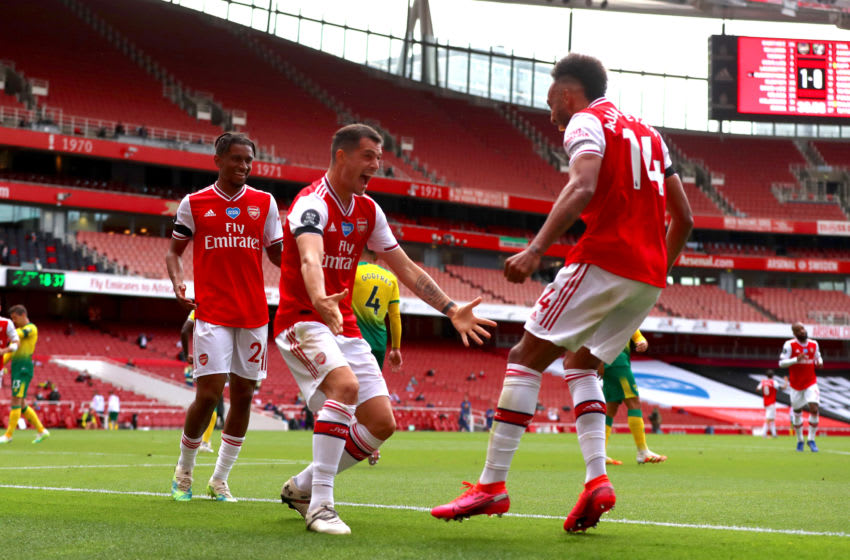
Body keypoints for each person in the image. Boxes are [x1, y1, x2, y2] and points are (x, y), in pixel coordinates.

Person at [431, 53, 692, 533]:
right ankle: (597, 479)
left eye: (551, 102)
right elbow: (686, 218)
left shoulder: (586, 122)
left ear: (567, 94)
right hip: (648, 275)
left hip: (604, 259)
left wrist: (535, 250)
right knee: (581, 364)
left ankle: (492, 485)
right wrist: (658, 270)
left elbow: (583, 185)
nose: (550, 115)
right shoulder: (650, 134)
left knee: (524, 355)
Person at [275, 123, 496, 535]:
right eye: (368, 156)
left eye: (379, 157)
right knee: (345, 388)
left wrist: (450, 308)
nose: (376, 165)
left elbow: (405, 267)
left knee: (380, 424)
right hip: (303, 319)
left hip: (344, 323)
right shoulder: (312, 203)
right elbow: (309, 256)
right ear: (341, 156)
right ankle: (321, 507)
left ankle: (302, 486)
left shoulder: (368, 210)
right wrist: (320, 295)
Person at [166, 131, 283, 502]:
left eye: (249, 160)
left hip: (253, 314)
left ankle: (219, 480)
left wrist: (311, 264)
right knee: (209, 394)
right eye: (237, 159)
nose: (244, 166)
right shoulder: (195, 203)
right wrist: (178, 280)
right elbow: (173, 252)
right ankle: (183, 473)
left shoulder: (265, 203)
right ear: (218, 160)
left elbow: (279, 255)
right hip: (212, 312)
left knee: (245, 395)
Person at [599, 330, 666, 465]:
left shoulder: (619, 312)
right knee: (633, 402)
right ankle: (642, 451)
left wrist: (641, 341)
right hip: (617, 361)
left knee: (610, 408)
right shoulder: (616, 311)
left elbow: (634, 330)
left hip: (610, 360)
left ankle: (600, 454)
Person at [1, 305, 50, 444]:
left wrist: (7, 331)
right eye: (12, 319)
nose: (14, 321)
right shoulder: (17, 337)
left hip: (23, 367)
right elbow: (11, 352)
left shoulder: (31, 328)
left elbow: (19, 334)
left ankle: (8, 435)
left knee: (15, 400)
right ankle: (41, 430)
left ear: (23, 315)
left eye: (15, 318)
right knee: (21, 404)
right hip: (17, 367)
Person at [352, 248, 402, 373]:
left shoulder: (351, 271)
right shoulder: (391, 278)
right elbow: (395, 317)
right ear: (376, 255)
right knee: (371, 388)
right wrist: (396, 348)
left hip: (354, 338)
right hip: (378, 342)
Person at [778, 322, 823, 452]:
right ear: (794, 333)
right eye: (799, 330)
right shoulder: (789, 345)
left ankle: (811, 440)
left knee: (814, 409)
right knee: (797, 413)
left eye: (803, 328)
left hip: (811, 382)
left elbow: (818, 357)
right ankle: (800, 440)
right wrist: (795, 360)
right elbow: (781, 363)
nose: (802, 331)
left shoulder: (814, 344)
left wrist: (820, 362)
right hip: (796, 385)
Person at [181, 310, 218, 453]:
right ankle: (203, 441)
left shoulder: (196, 308)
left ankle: (191, 440)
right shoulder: (219, 306)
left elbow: (184, 330)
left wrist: (186, 354)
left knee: (203, 402)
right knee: (211, 404)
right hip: (216, 360)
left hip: (201, 360)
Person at [756, 369, 787, 439]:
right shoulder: (774, 382)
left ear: (766, 375)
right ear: (773, 376)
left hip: (765, 402)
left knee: (772, 418)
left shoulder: (763, 382)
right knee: (768, 418)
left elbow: (757, 389)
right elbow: (783, 388)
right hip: (771, 402)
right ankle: (763, 433)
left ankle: (774, 434)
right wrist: (786, 381)